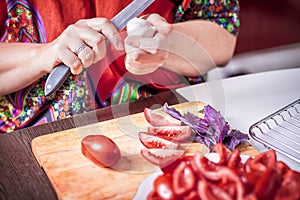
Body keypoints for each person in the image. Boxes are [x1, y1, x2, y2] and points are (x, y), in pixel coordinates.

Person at [0, 0, 239, 133]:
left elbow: (223, 37)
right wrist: (44, 54)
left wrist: (168, 43)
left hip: (163, 127)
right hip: (29, 141)